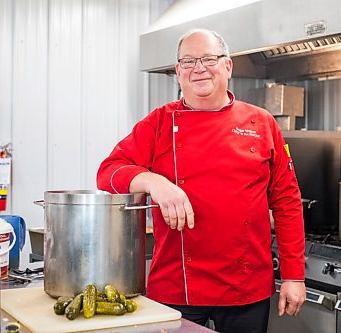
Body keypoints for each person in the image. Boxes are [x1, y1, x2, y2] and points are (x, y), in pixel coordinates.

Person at [97, 28, 305, 333]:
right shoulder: (159, 122)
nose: (199, 68)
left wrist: (293, 275)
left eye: (209, 59)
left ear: (228, 66)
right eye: (189, 61)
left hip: (245, 287)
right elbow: (108, 172)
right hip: (175, 287)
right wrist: (154, 181)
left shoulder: (261, 123)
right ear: (178, 72)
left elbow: (288, 202)